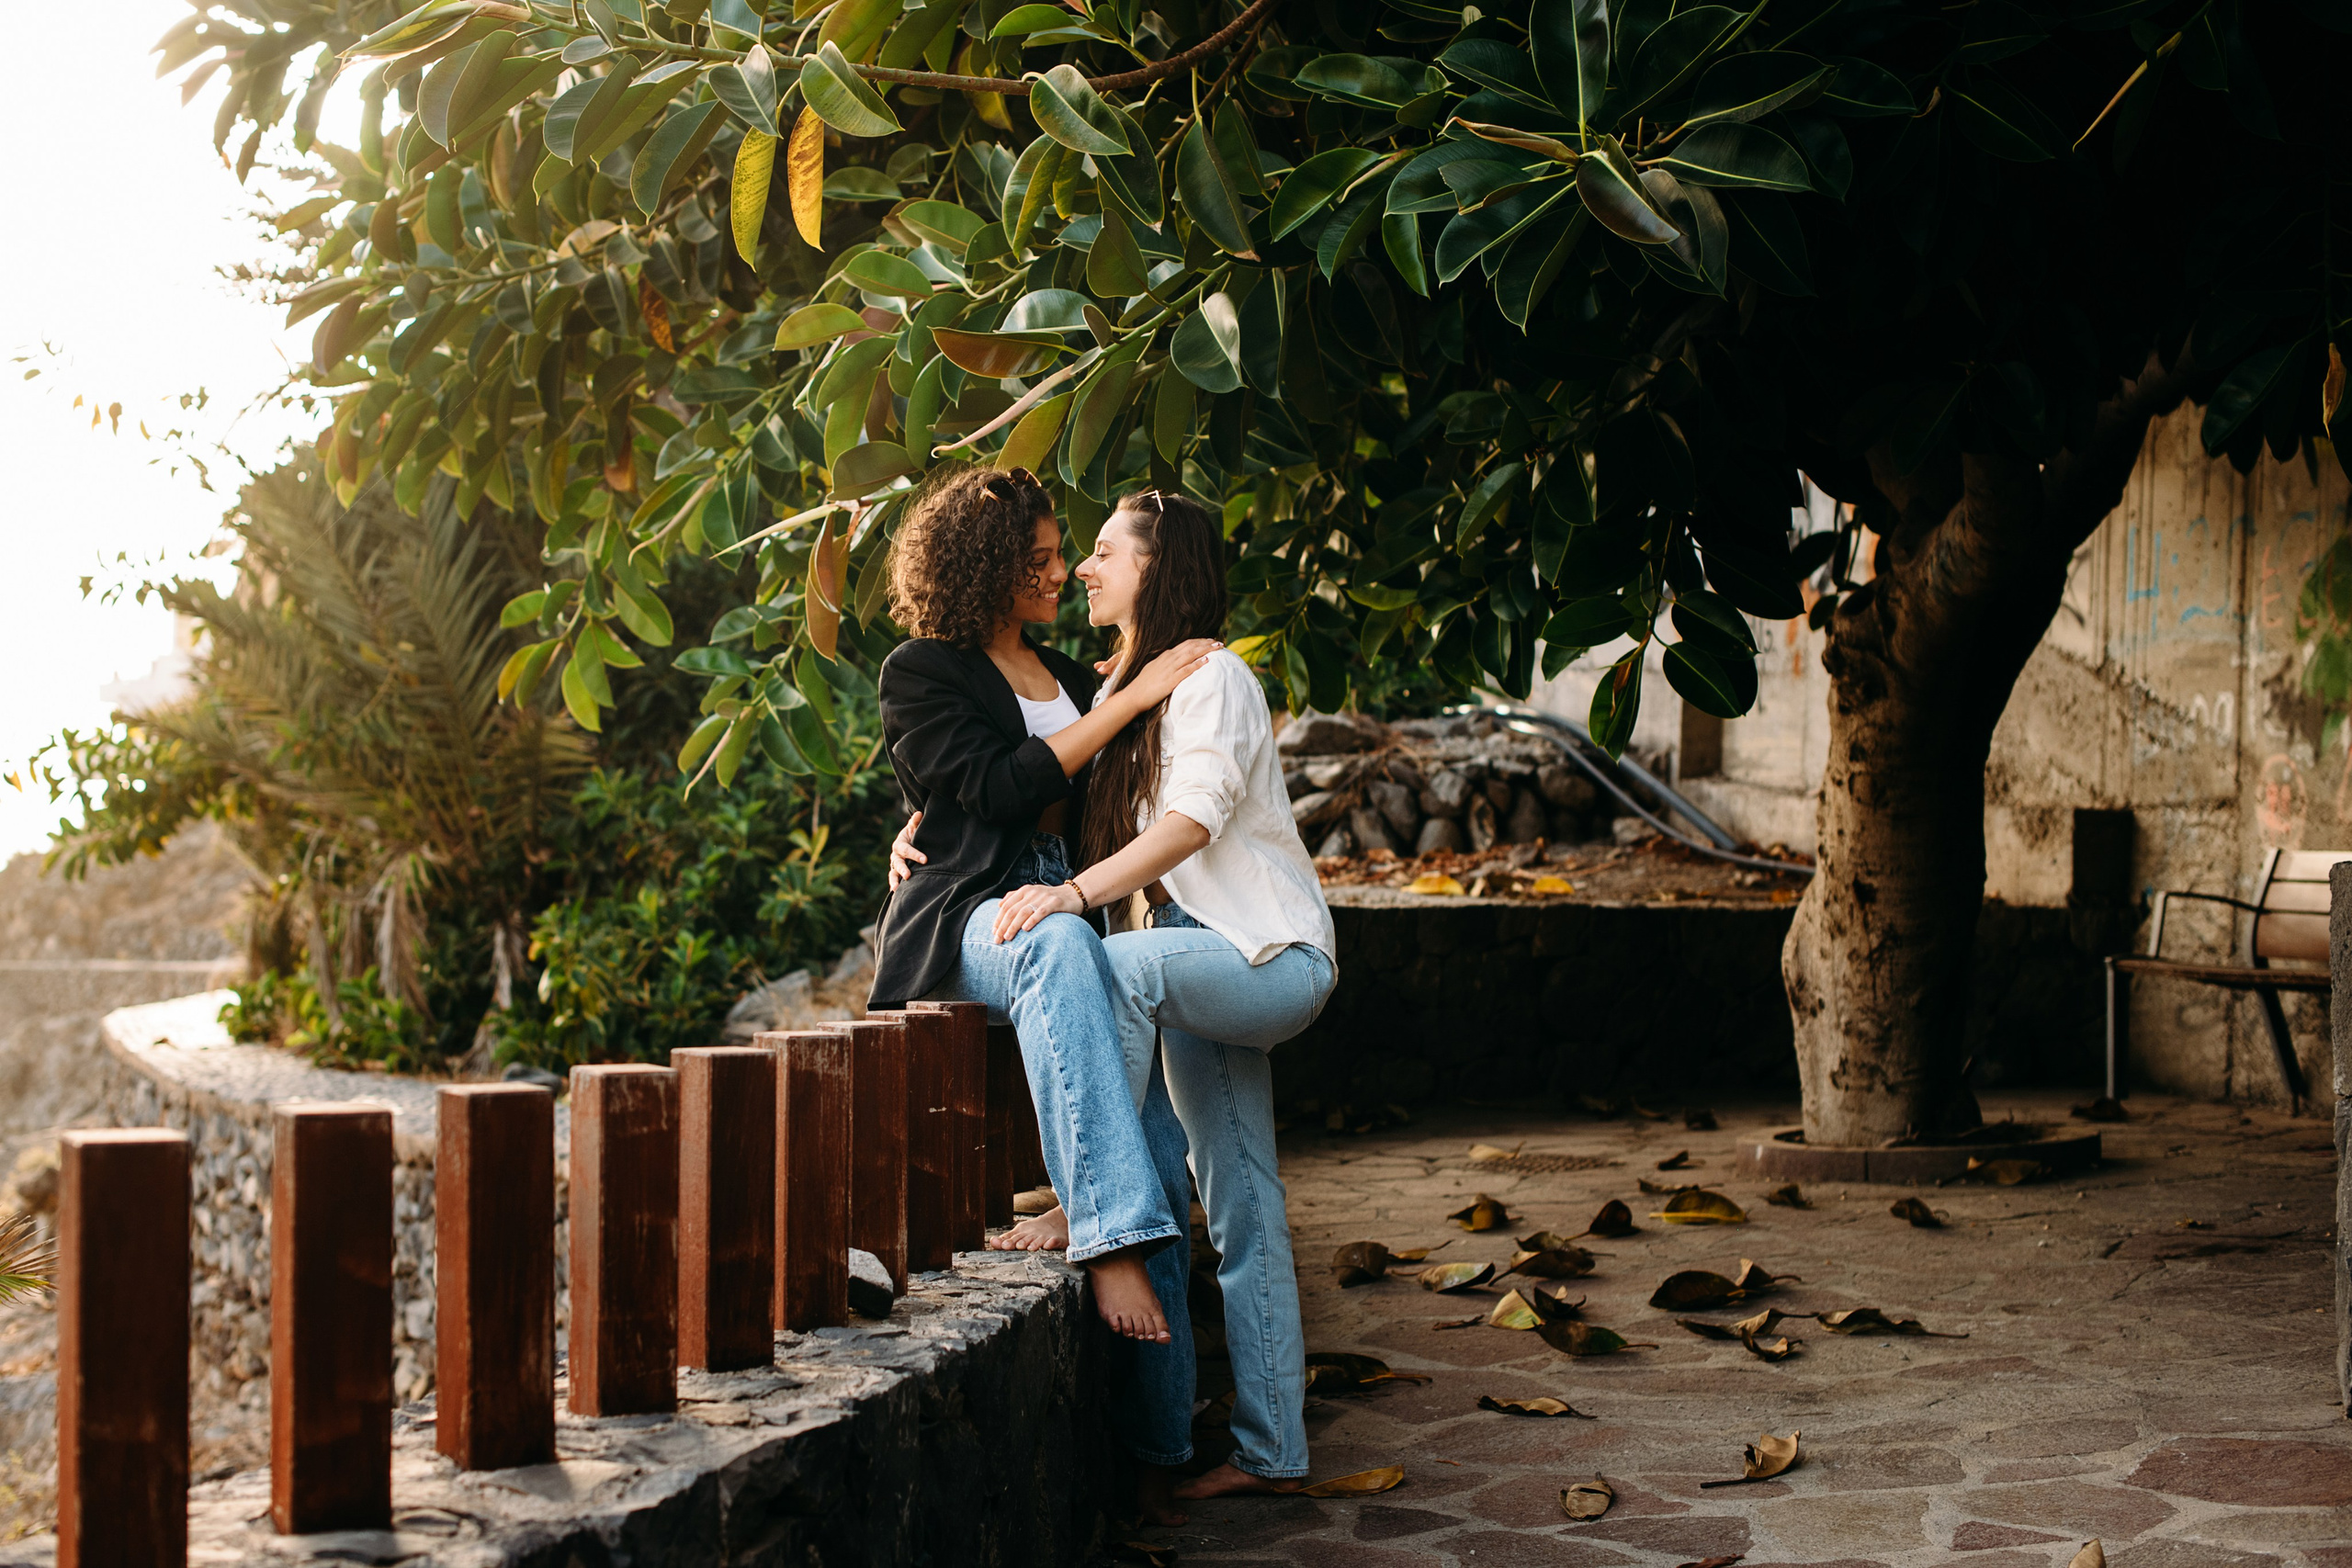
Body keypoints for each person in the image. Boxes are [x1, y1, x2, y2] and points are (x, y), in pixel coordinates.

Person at [895, 490, 1337, 1503]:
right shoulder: (1114, 686)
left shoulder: (1209, 675)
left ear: (1157, 566)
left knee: (1108, 967)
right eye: (1059, 556)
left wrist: (1071, 892)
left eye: (1096, 553)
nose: (1078, 570)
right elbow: (999, 783)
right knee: (1241, 1200)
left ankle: (1084, 1201)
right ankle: (1272, 1450)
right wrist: (917, 828)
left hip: (1258, 954)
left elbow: (1188, 825)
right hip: (1194, 962)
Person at [866, 464, 1218, 1355]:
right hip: (967, 917)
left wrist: (1142, 686)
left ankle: (1161, 1442)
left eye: (1063, 556)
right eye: (1039, 559)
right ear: (985, 565)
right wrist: (1130, 698)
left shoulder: (1068, 671)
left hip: (1068, 900)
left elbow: (1135, 789)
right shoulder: (921, 670)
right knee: (1056, 941)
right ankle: (1105, 1232)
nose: (1059, 574)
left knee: (1154, 1120)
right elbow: (992, 784)